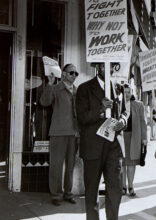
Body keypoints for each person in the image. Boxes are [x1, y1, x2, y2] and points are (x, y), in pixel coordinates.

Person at [76, 62, 126, 220]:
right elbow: (82, 117)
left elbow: (124, 111)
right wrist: (100, 109)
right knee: (92, 192)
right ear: (97, 66)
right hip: (92, 146)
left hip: (113, 146)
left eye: (110, 65)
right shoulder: (84, 88)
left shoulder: (118, 88)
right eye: (103, 65)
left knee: (115, 189)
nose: (107, 68)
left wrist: (123, 121)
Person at [40, 63, 79, 206]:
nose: (74, 75)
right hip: (58, 133)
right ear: (63, 74)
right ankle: (56, 195)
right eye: (71, 73)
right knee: (56, 165)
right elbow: (44, 102)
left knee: (70, 166)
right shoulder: (56, 88)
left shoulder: (77, 91)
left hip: (73, 134)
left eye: (76, 73)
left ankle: (68, 193)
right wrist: (49, 84)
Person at [121, 84, 147, 197]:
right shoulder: (118, 104)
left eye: (128, 92)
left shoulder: (138, 105)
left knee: (131, 163)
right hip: (121, 137)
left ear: (132, 92)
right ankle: (123, 187)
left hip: (134, 137)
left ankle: (131, 186)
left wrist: (144, 138)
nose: (126, 94)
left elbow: (143, 122)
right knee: (122, 163)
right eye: (124, 92)